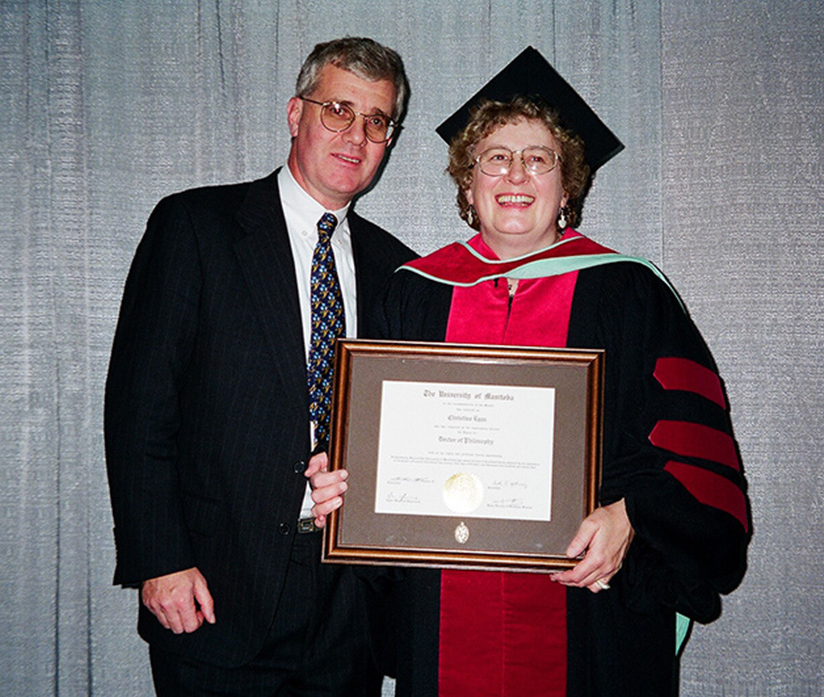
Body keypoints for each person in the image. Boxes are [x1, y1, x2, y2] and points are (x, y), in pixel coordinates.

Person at [308, 47, 751, 695]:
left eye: (538, 157)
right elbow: (375, 450)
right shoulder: (414, 292)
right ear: (468, 183)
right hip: (444, 616)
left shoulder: (631, 293)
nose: (516, 173)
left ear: (566, 182)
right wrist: (342, 481)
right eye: (494, 157)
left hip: (591, 616)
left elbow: (700, 464)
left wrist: (633, 515)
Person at [104, 37, 416, 695]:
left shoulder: (400, 271)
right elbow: (140, 407)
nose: (356, 134)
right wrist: (161, 560)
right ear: (295, 113)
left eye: (377, 119)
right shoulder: (196, 227)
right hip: (216, 590)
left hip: (348, 607)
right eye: (338, 109)